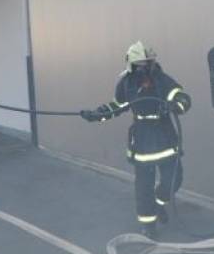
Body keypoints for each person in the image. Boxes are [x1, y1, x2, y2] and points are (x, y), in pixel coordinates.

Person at [82, 41, 191, 238]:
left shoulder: (161, 79)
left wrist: (177, 104)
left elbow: (180, 96)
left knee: (174, 179)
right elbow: (117, 106)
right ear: (132, 65)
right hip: (142, 139)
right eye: (140, 64)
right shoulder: (126, 84)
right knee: (144, 187)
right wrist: (96, 115)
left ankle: (159, 202)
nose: (145, 68)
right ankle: (148, 226)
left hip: (164, 136)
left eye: (147, 63)